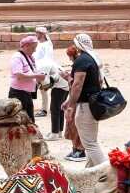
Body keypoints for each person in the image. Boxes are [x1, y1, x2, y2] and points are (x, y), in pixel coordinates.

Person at [63, 33, 106, 165]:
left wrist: (70, 106)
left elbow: (77, 85)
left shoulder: (82, 60)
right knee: (90, 142)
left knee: (90, 145)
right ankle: (90, 174)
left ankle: (106, 172)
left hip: (85, 106)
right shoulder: (93, 58)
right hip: (93, 104)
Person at [8, 35, 45, 123]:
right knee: (20, 121)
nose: (35, 50)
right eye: (33, 48)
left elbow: (31, 71)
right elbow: (19, 75)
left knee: (29, 120)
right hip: (18, 94)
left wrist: (38, 77)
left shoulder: (29, 57)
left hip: (26, 93)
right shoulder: (17, 57)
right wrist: (36, 76)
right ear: (26, 46)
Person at [62, 45, 86, 159]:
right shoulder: (78, 65)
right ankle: (75, 148)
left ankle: (80, 150)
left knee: (76, 125)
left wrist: (67, 77)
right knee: (71, 125)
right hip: (73, 99)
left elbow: (76, 84)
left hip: (77, 100)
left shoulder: (80, 65)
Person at [39, 57, 71, 140]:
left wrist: (41, 86)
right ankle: (59, 131)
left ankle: (54, 133)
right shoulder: (47, 62)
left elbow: (46, 82)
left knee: (54, 109)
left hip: (59, 86)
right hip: (65, 84)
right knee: (60, 109)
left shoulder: (41, 66)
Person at [33, 27, 55, 116]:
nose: (36, 35)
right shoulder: (38, 43)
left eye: (37, 33)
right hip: (35, 69)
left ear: (42, 34)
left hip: (42, 70)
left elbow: (47, 59)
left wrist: (42, 72)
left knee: (43, 90)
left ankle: (44, 110)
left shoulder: (47, 45)